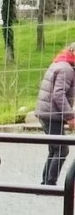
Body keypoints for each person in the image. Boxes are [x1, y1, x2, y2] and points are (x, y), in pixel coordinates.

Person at [35, 44, 75, 186]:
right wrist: (70, 116)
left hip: (47, 112)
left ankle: (46, 182)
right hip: (52, 114)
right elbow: (59, 94)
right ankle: (50, 183)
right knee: (62, 149)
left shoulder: (61, 63)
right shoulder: (66, 69)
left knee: (55, 149)